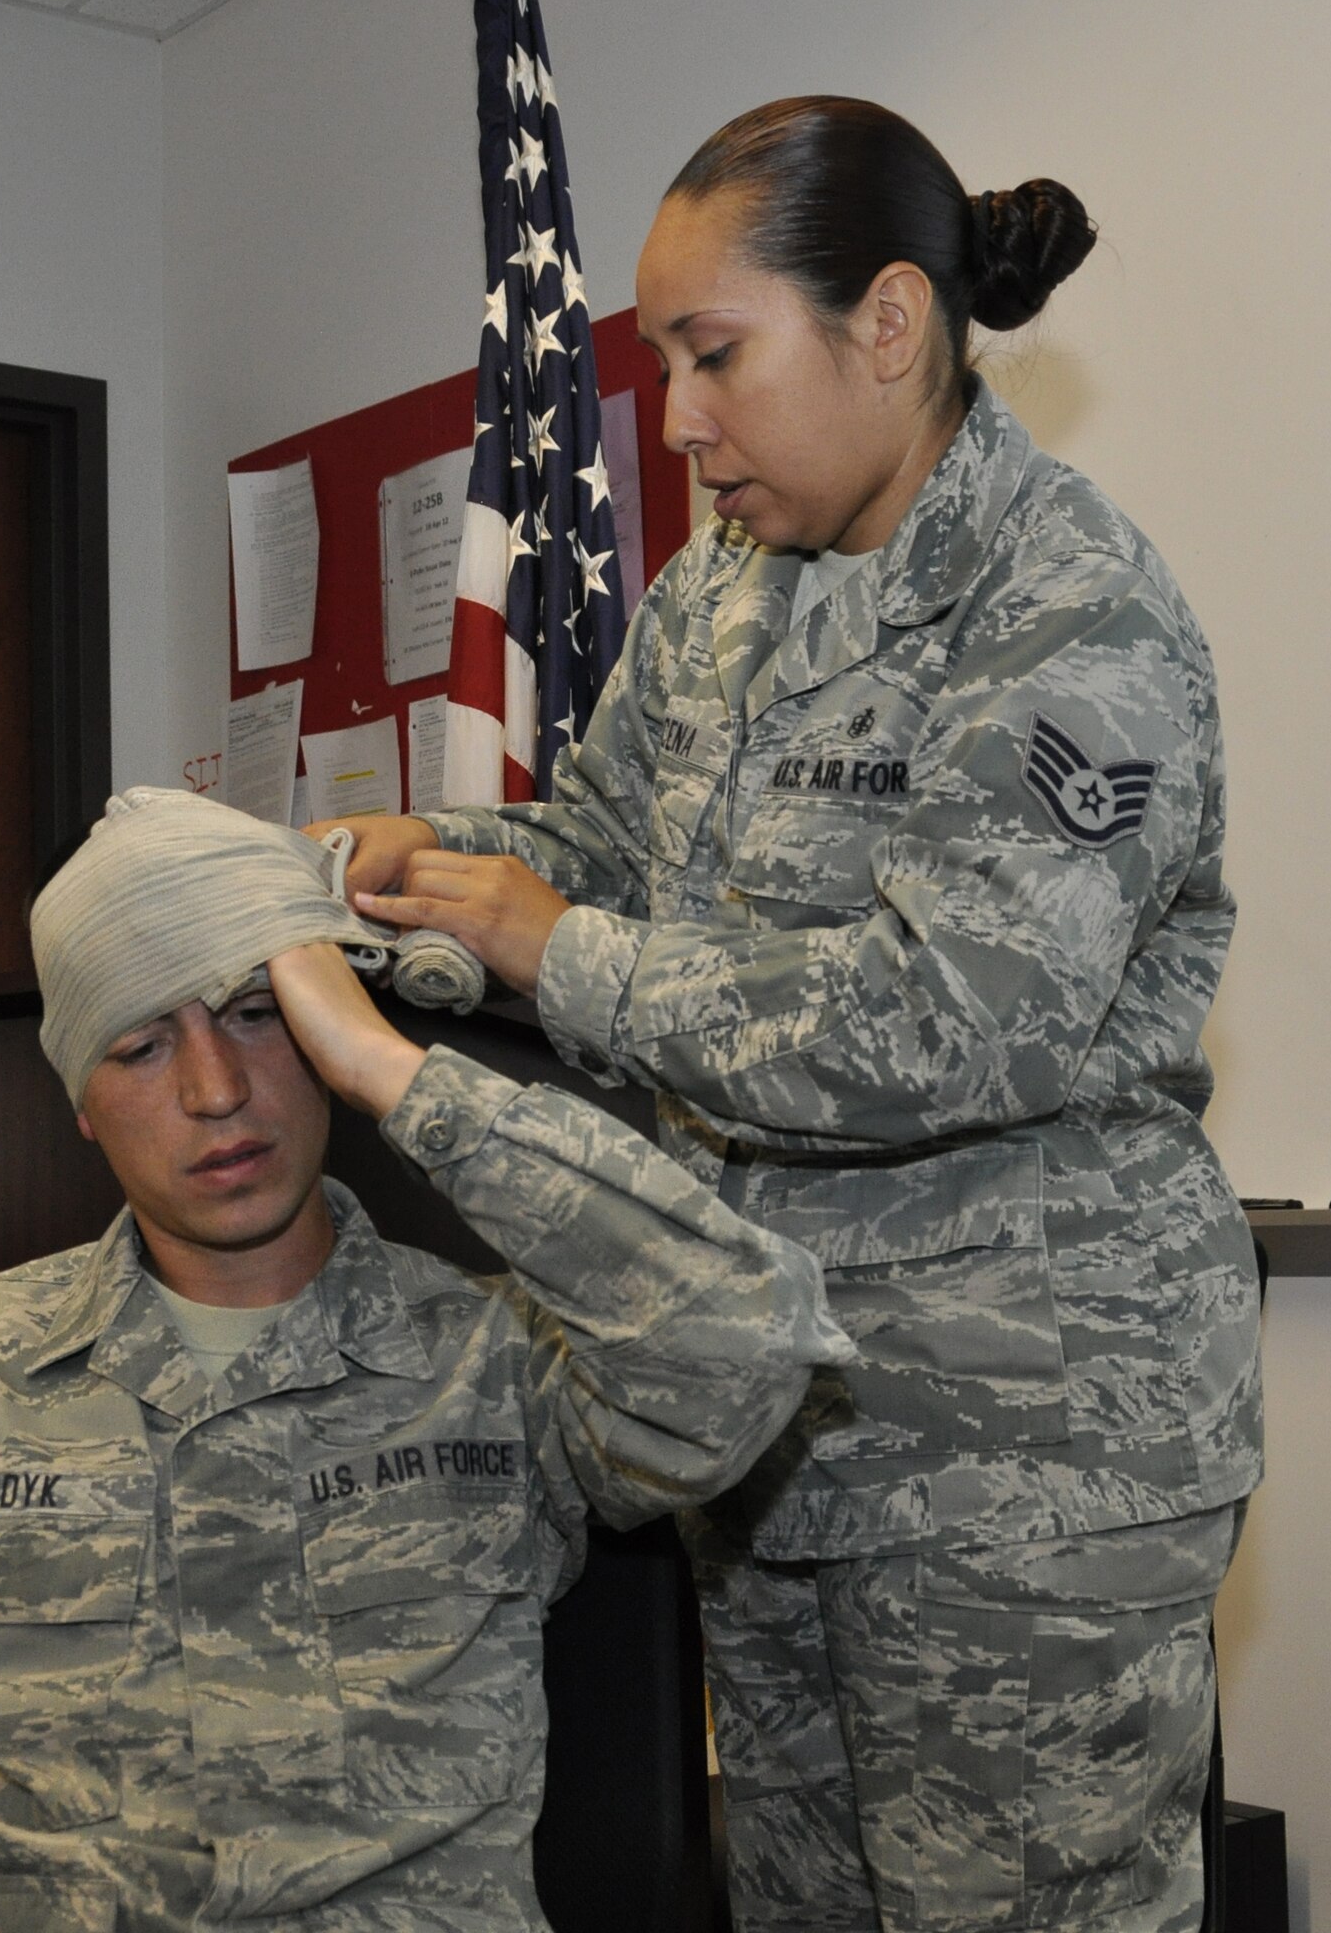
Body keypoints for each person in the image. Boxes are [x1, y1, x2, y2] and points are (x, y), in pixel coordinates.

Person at [335, 97, 1263, 1933]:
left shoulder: (1068, 606)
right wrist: (411, 873)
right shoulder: (717, 598)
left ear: (888, 324)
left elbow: (953, 1020)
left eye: (713, 354)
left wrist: (554, 948)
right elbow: (593, 854)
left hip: (1021, 1464)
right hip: (772, 1433)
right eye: (660, 363)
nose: (677, 418)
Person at [0, 789, 848, 1933]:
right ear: (80, 1100)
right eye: (142, 1044)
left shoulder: (495, 1358)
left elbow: (742, 1348)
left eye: (258, 1016)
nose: (216, 1091)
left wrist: (393, 1071)